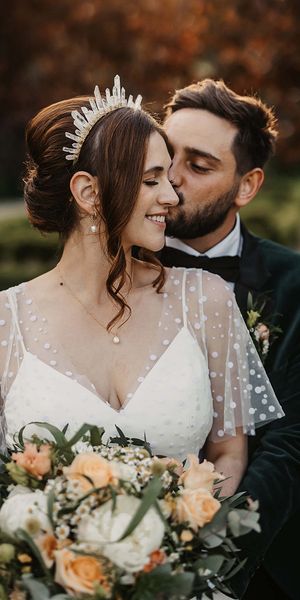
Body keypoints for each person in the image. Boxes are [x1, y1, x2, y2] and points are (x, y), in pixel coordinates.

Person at [0, 76, 282, 506]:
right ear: (89, 192)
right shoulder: (7, 321)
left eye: (167, 178)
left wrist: (183, 545)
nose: (172, 195)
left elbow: (228, 453)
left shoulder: (205, 300)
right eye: (152, 180)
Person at [159, 78, 300, 600]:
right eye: (165, 153)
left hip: (263, 566)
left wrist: (210, 567)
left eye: (198, 166)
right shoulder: (112, 276)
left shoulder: (293, 286)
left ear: (247, 185)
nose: (170, 178)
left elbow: (290, 445)